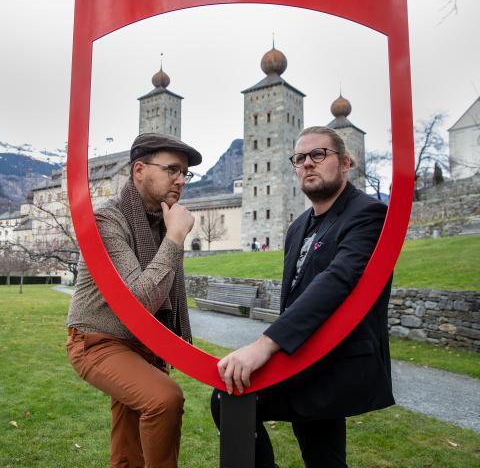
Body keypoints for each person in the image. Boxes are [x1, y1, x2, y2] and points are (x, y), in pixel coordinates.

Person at [211, 126, 394, 467]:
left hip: (337, 364)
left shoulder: (368, 214)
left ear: (345, 162)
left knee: (231, 396)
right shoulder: (297, 228)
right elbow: (296, 300)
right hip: (304, 358)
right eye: (300, 158)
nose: (308, 163)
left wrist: (265, 345)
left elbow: (339, 280)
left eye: (319, 154)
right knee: (322, 457)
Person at [67, 133, 202, 468]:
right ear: (139, 170)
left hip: (142, 345)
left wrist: (170, 234)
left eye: (185, 173)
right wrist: (174, 238)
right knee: (164, 398)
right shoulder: (107, 219)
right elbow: (138, 303)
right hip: (97, 342)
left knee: (127, 450)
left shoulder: (161, 219)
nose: (180, 180)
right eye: (172, 169)